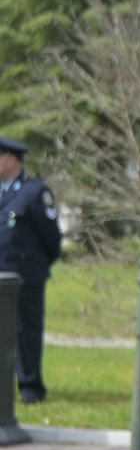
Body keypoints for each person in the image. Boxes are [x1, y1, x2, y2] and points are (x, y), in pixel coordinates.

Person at [0, 137, 62, 406]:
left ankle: (30, 387)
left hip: (24, 277)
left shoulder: (34, 192)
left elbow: (52, 240)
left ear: (12, 159)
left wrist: (34, 266)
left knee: (26, 332)